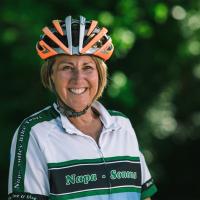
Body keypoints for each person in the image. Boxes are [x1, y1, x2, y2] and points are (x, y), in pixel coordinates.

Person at [8, 15, 157, 200]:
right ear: (51, 75)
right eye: (67, 67)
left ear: (100, 75)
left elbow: (144, 196)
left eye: (87, 67)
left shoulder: (122, 126)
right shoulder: (35, 132)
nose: (78, 79)